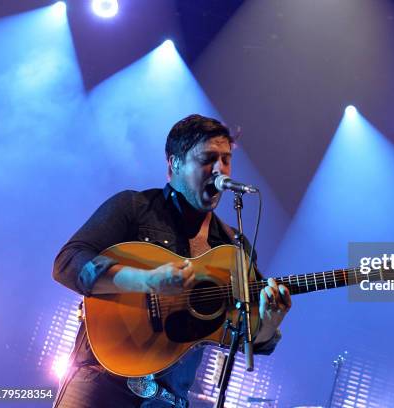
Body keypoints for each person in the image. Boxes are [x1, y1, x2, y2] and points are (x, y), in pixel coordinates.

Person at [52, 114, 291, 407]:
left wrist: (268, 322)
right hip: (100, 383)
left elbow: (243, 338)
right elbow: (67, 263)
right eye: (207, 158)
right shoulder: (135, 208)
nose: (220, 169)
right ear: (173, 164)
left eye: (226, 159)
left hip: (168, 399)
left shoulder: (234, 248)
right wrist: (147, 280)